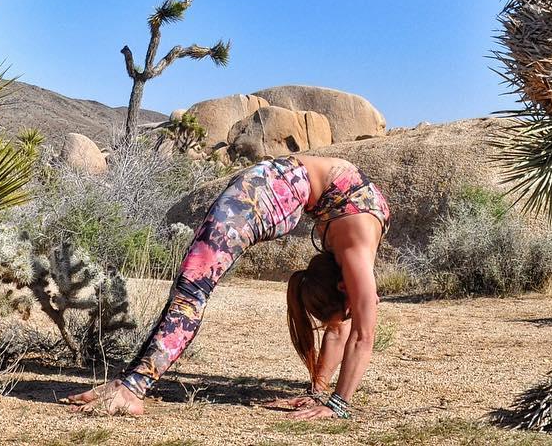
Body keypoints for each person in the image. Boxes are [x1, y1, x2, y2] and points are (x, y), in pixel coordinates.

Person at [64, 152, 390, 419]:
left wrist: (319, 394)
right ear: (346, 289)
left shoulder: (349, 252)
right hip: (265, 189)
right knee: (192, 289)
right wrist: (337, 405)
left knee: (191, 289)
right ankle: (130, 388)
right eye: (348, 308)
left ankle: (129, 384)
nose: (354, 308)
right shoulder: (355, 245)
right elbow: (363, 333)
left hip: (271, 184)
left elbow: (341, 327)